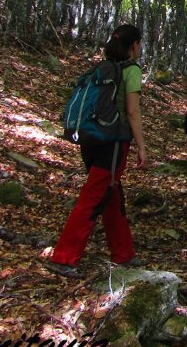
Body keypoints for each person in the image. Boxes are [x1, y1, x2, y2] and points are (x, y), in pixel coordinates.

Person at [46, 24, 148, 277]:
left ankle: (123, 253)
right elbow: (133, 112)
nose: (141, 47)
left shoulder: (101, 69)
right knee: (94, 195)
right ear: (134, 45)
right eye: (140, 43)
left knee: (111, 193)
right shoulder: (132, 70)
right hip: (113, 143)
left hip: (92, 140)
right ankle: (64, 257)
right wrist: (142, 146)